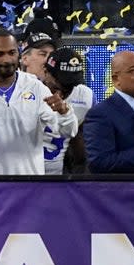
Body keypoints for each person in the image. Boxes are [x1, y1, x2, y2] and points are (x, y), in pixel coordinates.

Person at [0, 30, 78, 175]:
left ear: (18, 53)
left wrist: (64, 112)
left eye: (12, 53)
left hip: (28, 187)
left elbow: (69, 131)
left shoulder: (35, 87)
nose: (7, 59)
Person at [39, 46, 94, 175]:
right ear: (46, 72)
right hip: (29, 171)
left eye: (71, 83)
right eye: (62, 82)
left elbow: (84, 144)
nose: (66, 88)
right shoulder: (31, 92)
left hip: (61, 173)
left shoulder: (86, 96)